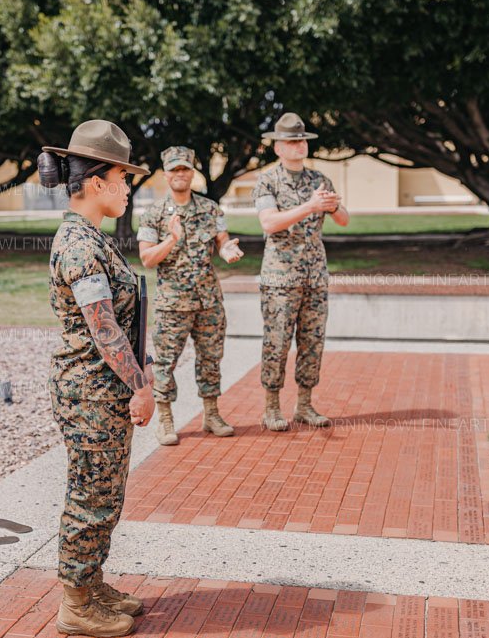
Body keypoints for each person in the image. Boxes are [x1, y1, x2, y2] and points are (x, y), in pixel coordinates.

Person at [43, 119, 155, 638]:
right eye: (123, 177)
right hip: (91, 392)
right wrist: (141, 386)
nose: (128, 188)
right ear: (96, 182)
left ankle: (90, 583)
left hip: (102, 391)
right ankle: (75, 602)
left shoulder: (93, 238)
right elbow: (104, 329)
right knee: (91, 496)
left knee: (106, 493)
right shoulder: (80, 246)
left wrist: (140, 373)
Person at [137, 146, 244, 445]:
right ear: (165, 174)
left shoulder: (210, 209)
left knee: (211, 359)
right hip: (172, 304)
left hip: (208, 300)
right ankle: (166, 419)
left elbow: (222, 241)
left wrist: (228, 250)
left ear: (192, 172)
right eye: (174, 169)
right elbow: (147, 259)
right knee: (165, 362)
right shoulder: (154, 214)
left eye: (185, 169)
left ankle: (211, 414)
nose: (180, 174)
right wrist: (173, 238)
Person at [252, 112, 349, 431]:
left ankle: (304, 405)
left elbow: (345, 219)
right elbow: (269, 222)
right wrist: (310, 206)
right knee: (277, 342)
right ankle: (271, 408)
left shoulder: (320, 180)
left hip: (314, 276)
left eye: (302, 141)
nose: (298, 146)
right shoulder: (267, 180)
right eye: (292, 142)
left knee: (312, 341)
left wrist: (333, 206)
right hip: (280, 278)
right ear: (277, 147)